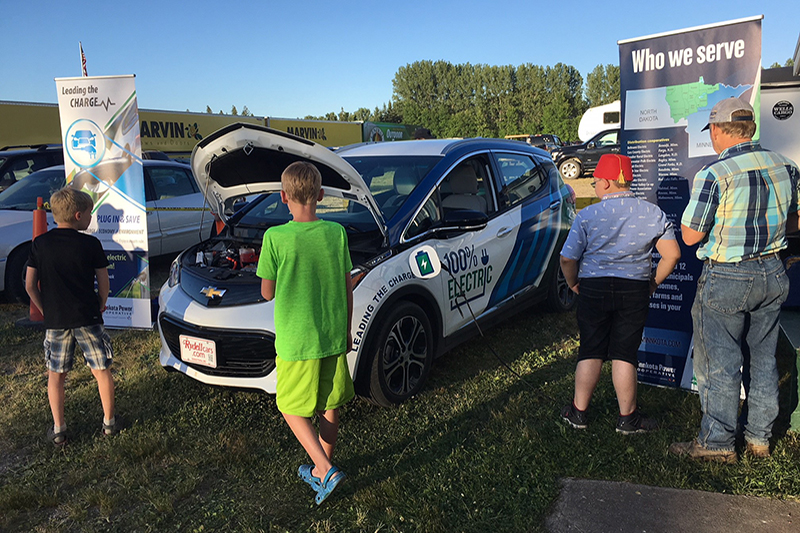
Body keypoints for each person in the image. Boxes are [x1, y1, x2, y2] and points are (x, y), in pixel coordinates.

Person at [670, 97, 800, 463]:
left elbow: (691, 235)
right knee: (763, 358)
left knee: (720, 361)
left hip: (727, 274)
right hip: (773, 271)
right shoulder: (787, 166)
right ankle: (759, 439)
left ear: (718, 130)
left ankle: (717, 444)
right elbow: (796, 220)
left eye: (711, 130)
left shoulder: (714, 174)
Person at [256, 161, 355, 505]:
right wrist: (347, 331)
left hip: (297, 340)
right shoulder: (336, 233)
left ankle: (325, 469)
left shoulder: (274, 238)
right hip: (332, 333)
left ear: (283, 197)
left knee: (289, 406)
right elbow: (347, 286)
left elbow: (267, 292)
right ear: (323, 196)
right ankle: (319, 467)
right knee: (330, 403)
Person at [560, 154, 680, 434]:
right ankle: (628, 419)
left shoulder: (587, 215)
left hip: (594, 287)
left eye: (595, 181)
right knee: (625, 354)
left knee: (591, 348)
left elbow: (567, 259)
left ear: (604, 182)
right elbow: (672, 255)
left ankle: (578, 414)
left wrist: (574, 283)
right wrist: (652, 283)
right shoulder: (652, 213)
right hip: (634, 289)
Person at [26, 187, 117, 447]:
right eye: (90, 214)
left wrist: (46, 310)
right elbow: (103, 282)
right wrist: (101, 303)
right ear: (78, 215)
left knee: (56, 375)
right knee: (102, 371)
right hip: (88, 316)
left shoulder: (40, 244)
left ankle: (59, 429)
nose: (91, 218)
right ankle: (109, 423)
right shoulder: (91, 243)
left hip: (56, 321)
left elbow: (30, 285)